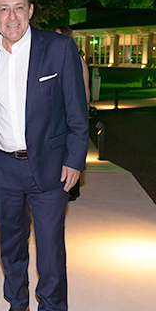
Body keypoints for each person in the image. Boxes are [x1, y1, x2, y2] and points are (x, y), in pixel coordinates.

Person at [0, 0, 88, 311]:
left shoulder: (58, 48)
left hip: (49, 166)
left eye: (19, 7)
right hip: (3, 165)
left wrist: (75, 159)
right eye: (4, 9)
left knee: (49, 248)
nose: (12, 16)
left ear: (30, 10)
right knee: (10, 243)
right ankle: (17, 303)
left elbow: (77, 110)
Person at [55, 25, 90, 201]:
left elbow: (84, 90)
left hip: (70, 115)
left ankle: (71, 188)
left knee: (71, 151)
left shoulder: (77, 60)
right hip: (58, 115)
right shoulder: (55, 59)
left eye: (60, 37)